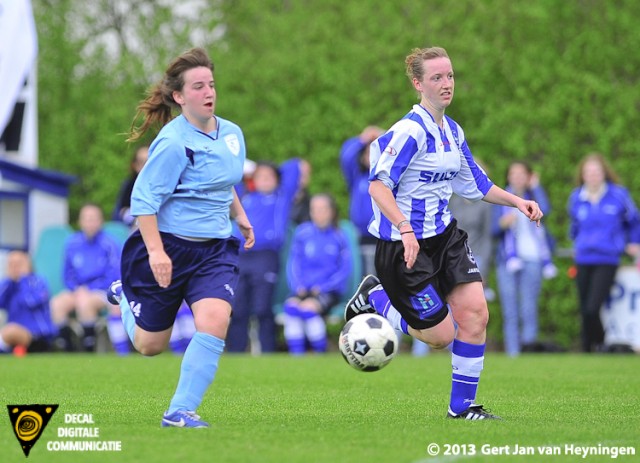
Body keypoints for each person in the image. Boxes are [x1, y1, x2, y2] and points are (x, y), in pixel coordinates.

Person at [344, 46, 544, 420]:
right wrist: (404, 228)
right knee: (441, 337)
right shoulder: (408, 132)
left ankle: (463, 408)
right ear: (419, 84)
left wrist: (518, 201)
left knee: (476, 316)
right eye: (437, 77)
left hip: (445, 238)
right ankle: (377, 296)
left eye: (449, 75)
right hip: (404, 246)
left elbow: (477, 184)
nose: (446, 83)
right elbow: (377, 187)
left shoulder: (453, 131)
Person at [106, 47, 254, 428]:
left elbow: (222, 182)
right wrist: (156, 252)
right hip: (168, 247)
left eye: (212, 85)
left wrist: (240, 216)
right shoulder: (173, 143)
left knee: (216, 318)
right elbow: (143, 201)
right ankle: (125, 295)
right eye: (198, 86)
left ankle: (179, 411)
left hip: (215, 250)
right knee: (149, 346)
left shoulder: (233, 134)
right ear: (178, 96)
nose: (209, 92)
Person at [226, 158, 303, 353]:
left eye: (269, 176)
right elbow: (230, 178)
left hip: (266, 257)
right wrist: (250, 171)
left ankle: (268, 351)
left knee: (262, 308)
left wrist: (261, 167)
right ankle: (236, 353)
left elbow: (293, 166)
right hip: (242, 256)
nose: (265, 180)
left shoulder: (281, 197)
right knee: (239, 308)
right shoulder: (245, 196)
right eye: (260, 176)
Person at [567, 153, 640, 353]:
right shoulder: (576, 197)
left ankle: (601, 343)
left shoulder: (618, 195)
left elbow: (634, 221)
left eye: (596, 172)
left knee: (592, 307)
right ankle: (587, 349)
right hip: (583, 257)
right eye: (588, 172)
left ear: (604, 173)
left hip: (607, 258)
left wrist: (634, 242)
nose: (592, 176)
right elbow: (574, 227)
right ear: (582, 175)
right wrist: (576, 243)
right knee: (584, 309)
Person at [493, 161, 556, 356]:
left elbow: (546, 210)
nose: (518, 177)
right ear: (508, 177)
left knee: (529, 308)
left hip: (533, 259)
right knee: (510, 311)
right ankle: (513, 353)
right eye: (514, 173)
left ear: (528, 176)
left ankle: (529, 351)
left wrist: (536, 186)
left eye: (522, 174)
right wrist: (503, 224)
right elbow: (492, 229)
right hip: (507, 262)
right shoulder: (501, 198)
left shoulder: (534, 197)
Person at [283, 193, 352, 354]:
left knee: (308, 308)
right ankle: (297, 357)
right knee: (291, 307)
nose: (318, 213)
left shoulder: (339, 236)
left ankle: (319, 353)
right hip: (303, 289)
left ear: (331, 212)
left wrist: (323, 287)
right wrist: (297, 285)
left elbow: (344, 271)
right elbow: (293, 263)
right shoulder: (302, 233)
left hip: (328, 291)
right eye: (314, 209)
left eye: (322, 209)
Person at [50, 203, 121, 352]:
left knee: (85, 304)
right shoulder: (72, 243)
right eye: (86, 218)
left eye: (93, 218)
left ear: (101, 221)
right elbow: (67, 273)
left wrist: (88, 290)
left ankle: (89, 349)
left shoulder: (109, 244)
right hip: (77, 290)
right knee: (56, 304)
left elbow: (114, 274)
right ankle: (68, 348)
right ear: (80, 221)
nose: (90, 222)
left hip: (102, 291)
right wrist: (76, 289)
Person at [340, 126, 384, 277]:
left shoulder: (390, 179)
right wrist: (362, 139)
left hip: (383, 236)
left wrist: (384, 136)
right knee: (362, 277)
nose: (371, 156)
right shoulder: (357, 176)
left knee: (383, 277)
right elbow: (346, 156)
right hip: (360, 236)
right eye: (367, 152)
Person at [0, 251, 57, 354]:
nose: (14, 268)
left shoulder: (39, 281)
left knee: (11, 330)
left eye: (18, 264)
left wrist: (23, 279)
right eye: (11, 264)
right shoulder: (9, 285)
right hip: (15, 338)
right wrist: (8, 281)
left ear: (28, 264)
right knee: (10, 330)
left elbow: (30, 301)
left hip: (38, 336)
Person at [111, 145, 149, 227]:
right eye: (141, 162)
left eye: (149, 161)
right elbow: (118, 214)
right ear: (135, 165)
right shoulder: (128, 186)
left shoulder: (164, 186)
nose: (145, 166)